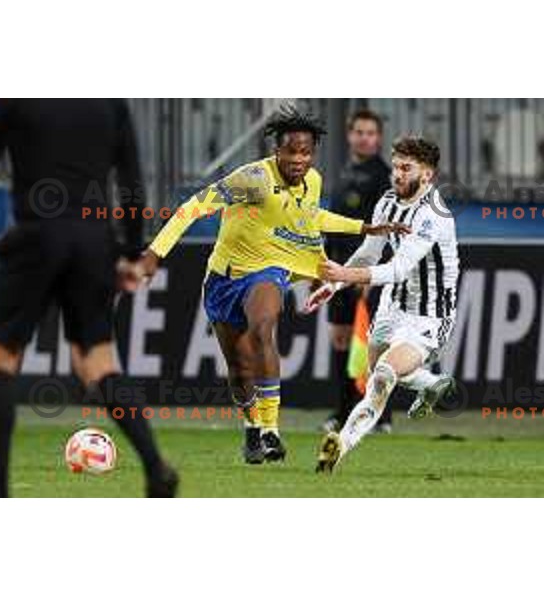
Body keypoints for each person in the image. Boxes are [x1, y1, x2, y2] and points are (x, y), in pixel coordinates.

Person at [138, 107, 409, 464]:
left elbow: (309, 218)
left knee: (264, 328)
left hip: (270, 270)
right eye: (291, 151)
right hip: (224, 277)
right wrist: (156, 252)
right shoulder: (252, 180)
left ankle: (270, 431)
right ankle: (252, 429)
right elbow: (193, 207)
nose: (299, 159)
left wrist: (361, 229)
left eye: (306, 152)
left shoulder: (312, 180)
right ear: (276, 151)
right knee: (238, 368)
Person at [0, 98, 178, 497]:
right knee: (98, 363)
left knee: (0, 360)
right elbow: (131, 180)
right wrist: (129, 252)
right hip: (92, 243)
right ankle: (156, 467)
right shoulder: (110, 101)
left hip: (36, 235)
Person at [307, 136, 459, 473]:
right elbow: (369, 253)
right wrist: (334, 285)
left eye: (407, 168)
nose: (398, 175)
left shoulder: (434, 216)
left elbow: (397, 268)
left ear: (427, 175)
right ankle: (429, 383)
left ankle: (340, 444)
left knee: (384, 375)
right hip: (392, 307)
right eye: (396, 167)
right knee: (376, 373)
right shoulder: (387, 202)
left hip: (429, 314)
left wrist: (344, 272)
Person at [324, 108, 393, 433]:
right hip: (338, 270)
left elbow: (386, 230)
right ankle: (342, 410)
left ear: (378, 138)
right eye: (359, 132)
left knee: (372, 344)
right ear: (350, 135)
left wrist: (373, 273)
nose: (364, 138)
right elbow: (331, 224)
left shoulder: (383, 178)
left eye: (370, 133)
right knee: (339, 339)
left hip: (365, 274)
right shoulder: (342, 172)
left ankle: (379, 416)